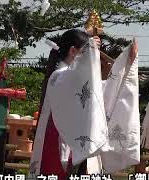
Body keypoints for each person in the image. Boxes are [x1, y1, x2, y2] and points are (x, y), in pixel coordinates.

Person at [30, 28, 139, 180]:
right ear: (73, 51)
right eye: (86, 53)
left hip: (79, 141)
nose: (91, 60)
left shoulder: (79, 79)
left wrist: (127, 63)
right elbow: (77, 77)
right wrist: (91, 47)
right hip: (58, 140)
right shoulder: (58, 77)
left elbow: (107, 91)